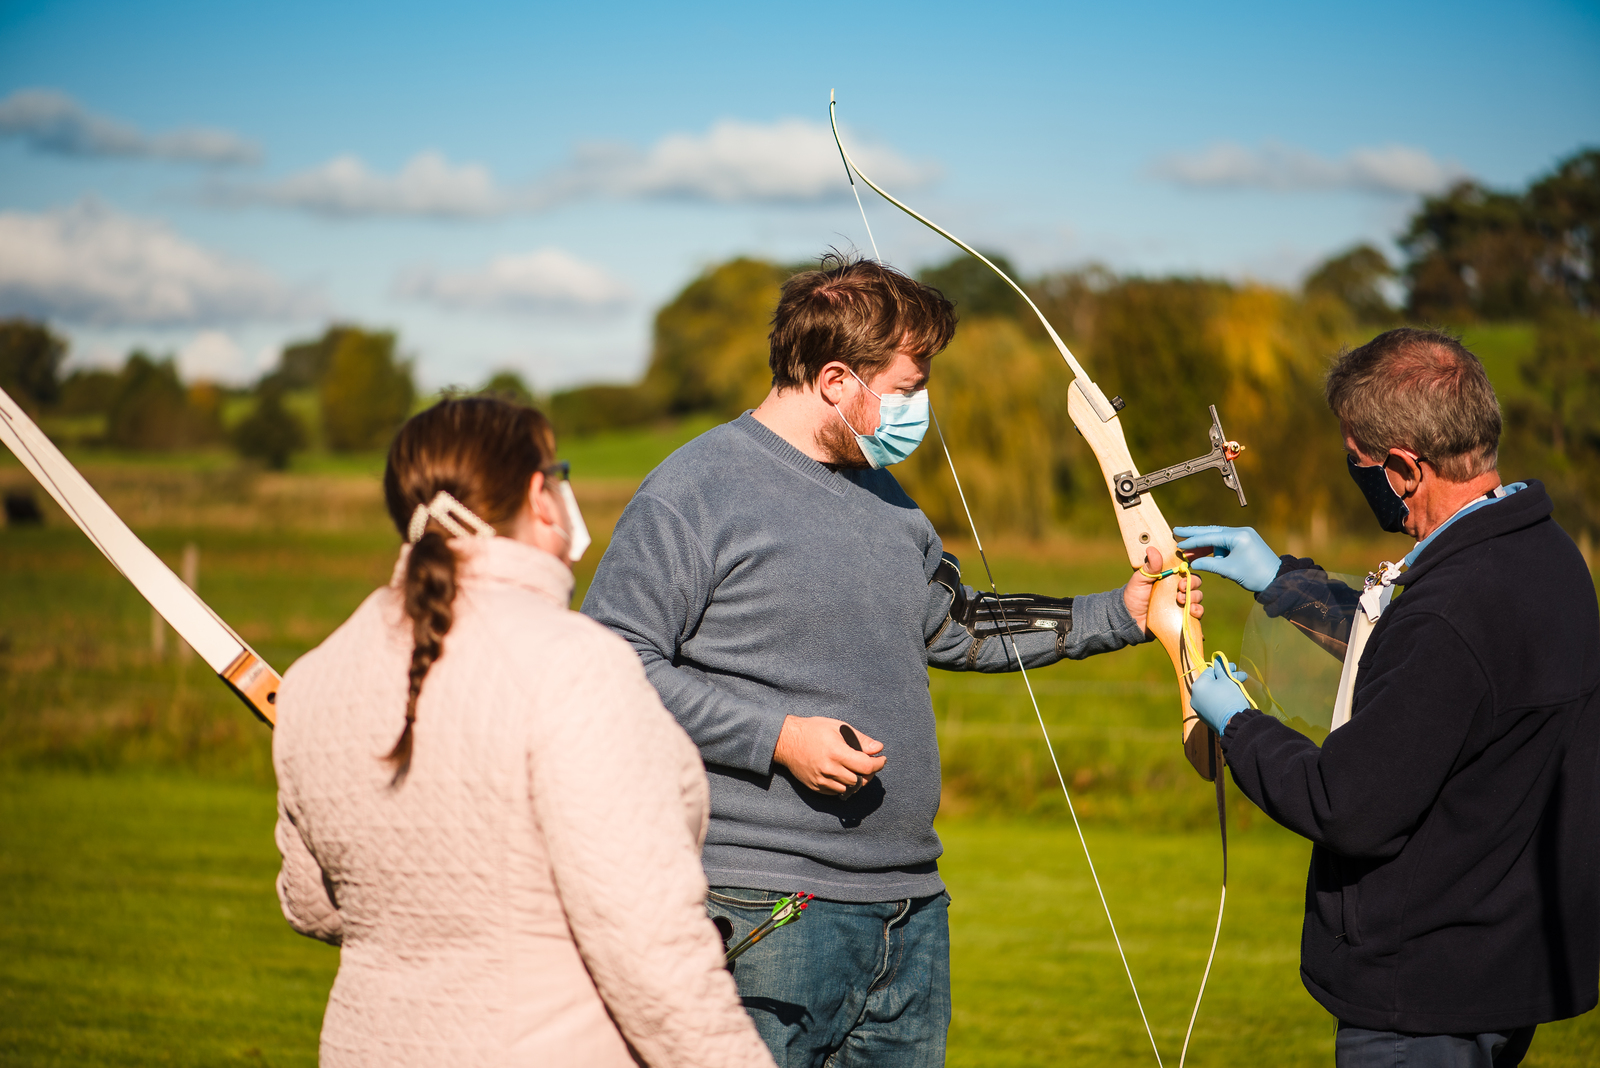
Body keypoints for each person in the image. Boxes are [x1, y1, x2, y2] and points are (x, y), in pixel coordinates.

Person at [581, 254, 1199, 1067]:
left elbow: (959, 625)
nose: (919, 407)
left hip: (909, 907)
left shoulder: (888, 498)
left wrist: (1120, 614)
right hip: (763, 907)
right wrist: (777, 735)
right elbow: (610, 664)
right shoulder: (693, 490)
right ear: (837, 379)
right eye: (908, 386)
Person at [271, 397, 775, 1068]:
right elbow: (647, 944)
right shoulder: (576, 665)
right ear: (541, 494)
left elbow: (313, 903)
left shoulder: (314, 676)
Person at [1176, 328, 1600, 1068]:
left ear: (1406, 467)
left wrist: (1236, 724)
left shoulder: (1453, 607)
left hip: (1424, 999)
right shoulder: (1542, 555)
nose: (1360, 478)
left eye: (1359, 466)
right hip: (1498, 974)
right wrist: (1285, 584)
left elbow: (1346, 806)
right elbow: (1420, 662)